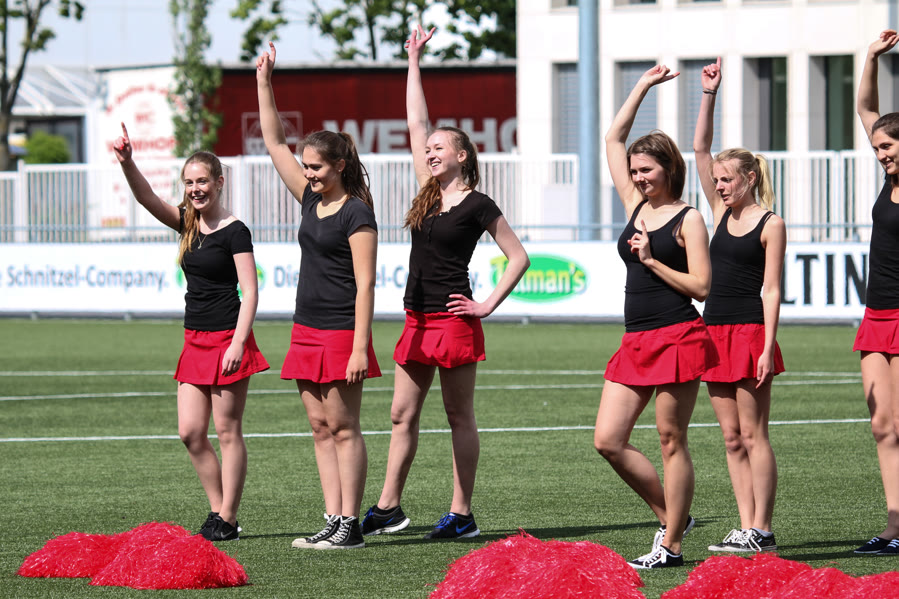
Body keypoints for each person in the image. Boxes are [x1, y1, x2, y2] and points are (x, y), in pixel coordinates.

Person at [360, 26, 530, 540]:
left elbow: (519, 257)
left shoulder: (478, 203)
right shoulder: (427, 192)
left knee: (459, 416)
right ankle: (389, 507)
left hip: (454, 320)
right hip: (416, 317)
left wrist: (486, 305)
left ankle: (462, 513)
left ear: (462, 156)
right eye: (428, 148)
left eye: (439, 148)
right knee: (400, 414)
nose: (430, 151)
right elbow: (416, 119)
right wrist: (413, 58)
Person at [113, 124, 269, 541]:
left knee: (228, 431)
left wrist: (238, 343)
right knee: (190, 432)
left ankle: (228, 518)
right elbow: (146, 198)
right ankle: (218, 510)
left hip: (228, 339)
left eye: (202, 181)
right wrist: (127, 163)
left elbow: (250, 291)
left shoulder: (236, 231)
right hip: (194, 340)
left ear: (219, 182)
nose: (196, 189)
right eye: (189, 183)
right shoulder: (186, 222)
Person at [256, 42, 380, 550]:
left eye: (316, 168)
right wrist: (264, 82)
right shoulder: (310, 199)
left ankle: (350, 524)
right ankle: (332, 517)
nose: (307, 173)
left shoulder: (357, 212)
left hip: (341, 332)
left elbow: (367, 283)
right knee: (318, 426)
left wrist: (359, 347)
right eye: (306, 166)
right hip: (305, 326)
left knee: (344, 427)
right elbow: (273, 142)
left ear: (340, 166)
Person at [593, 65, 717, 569]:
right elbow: (613, 137)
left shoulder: (689, 218)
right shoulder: (633, 204)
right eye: (635, 170)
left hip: (678, 334)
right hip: (635, 339)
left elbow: (702, 287)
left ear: (669, 168)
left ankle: (672, 546)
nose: (639, 177)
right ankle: (673, 518)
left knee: (671, 440)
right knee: (608, 440)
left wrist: (651, 261)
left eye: (647, 170)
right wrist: (643, 86)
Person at [693, 58, 787, 553]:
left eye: (727, 179)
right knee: (730, 437)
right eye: (717, 180)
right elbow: (700, 149)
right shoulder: (717, 213)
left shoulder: (771, 223)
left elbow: (772, 289)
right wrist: (708, 93)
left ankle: (762, 529)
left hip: (751, 333)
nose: (720, 186)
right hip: (713, 332)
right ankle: (746, 524)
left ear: (749, 177)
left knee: (754, 434)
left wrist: (767, 346)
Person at [853, 28, 899, 557]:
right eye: (877, 148)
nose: (880, 153)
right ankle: (894, 524)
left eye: (887, 147)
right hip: (876, 313)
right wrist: (871, 57)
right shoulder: (888, 179)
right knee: (882, 425)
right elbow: (867, 108)